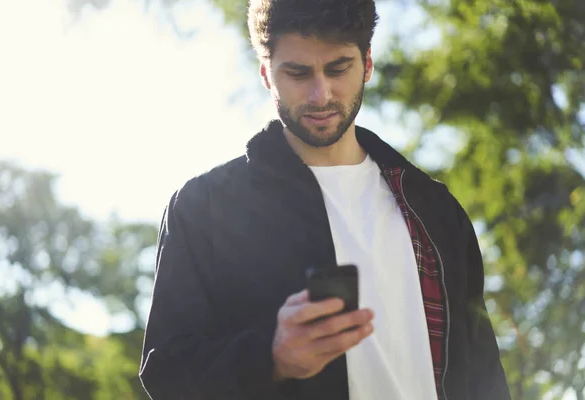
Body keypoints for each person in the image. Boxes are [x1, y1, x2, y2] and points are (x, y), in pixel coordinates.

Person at [138, 0, 511, 399]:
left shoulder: (435, 211)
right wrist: (272, 358)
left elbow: (484, 371)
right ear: (266, 74)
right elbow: (166, 373)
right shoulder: (203, 208)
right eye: (298, 73)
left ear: (367, 63)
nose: (321, 94)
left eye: (338, 68)